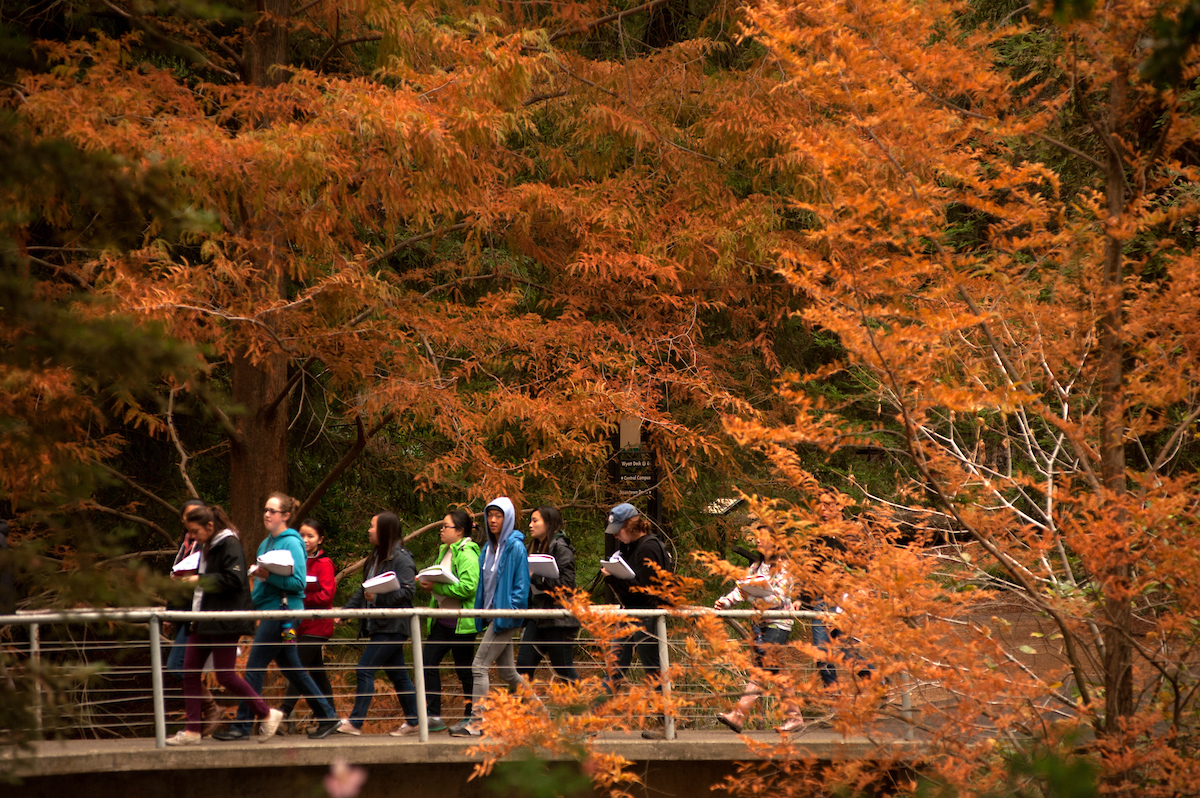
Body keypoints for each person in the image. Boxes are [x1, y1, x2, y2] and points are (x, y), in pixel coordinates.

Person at [218, 492, 340, 741]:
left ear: (285, 516)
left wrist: (268, 574)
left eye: (272, 511)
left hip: (285, 613)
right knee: (293, 669)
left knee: (254, 666)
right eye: (265, 509)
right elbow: (262, 587)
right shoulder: (265, 544)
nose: (267, 514)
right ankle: (329, 716)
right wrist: (249, 607)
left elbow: (297, 582)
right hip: (271, 611)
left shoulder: (292, 542)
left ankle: (241, 726)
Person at [166, 503, 284, 745]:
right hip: (202, 618)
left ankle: (266, 713)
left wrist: (199, 579)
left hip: (223, 621)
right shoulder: (208, 545)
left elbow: (235, 578)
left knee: (225, 676)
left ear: (210, 526)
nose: (192, 537)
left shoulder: (230, 544)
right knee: (188, 670)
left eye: (195, 532)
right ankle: (192, 731)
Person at [448, 497, 530, 738]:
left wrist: (507, 614)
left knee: (479, 666)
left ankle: (477, 722)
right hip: (493, 616)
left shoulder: (515, 547)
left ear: (508, 518)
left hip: (505, 616)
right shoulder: (487, 548)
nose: (493, 520)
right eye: (490, 515)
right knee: (508, 673)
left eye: (499, 515)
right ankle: (542, 714)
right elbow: (485, 585)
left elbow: (521, 587)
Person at [337, 511, 420, 736]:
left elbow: (408, 591)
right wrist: (346, 612)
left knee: (364, 669)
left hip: (393, 626)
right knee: (398, 675)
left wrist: (380, 599)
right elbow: (364, 590)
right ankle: (414, 721)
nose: (369, 530)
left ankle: (355, 722)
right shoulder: (375, 557)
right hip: (380, 625)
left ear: (384, 530)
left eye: (372, 526)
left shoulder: (401, 558)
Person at [601, 503, 672, 739]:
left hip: (646, 616)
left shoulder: (649, 548)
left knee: (653, 670)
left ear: (631, 526)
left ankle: (665, 725)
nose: (617, 536)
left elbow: (643, 590)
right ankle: (591, 719)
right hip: (629, 614)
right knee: (614, 666)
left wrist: (614, 578)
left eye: (619, 530)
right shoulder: (632, 547)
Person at [712, 539, 796, 734]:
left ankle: (739, 716)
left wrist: (751, 598)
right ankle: (795, 717)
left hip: (778, 624)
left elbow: (777, 599)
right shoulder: (755, 566)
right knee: (775, 671)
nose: (758, 539)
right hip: (759, 625)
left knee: (761, 668)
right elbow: (740, 590)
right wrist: (725, 602)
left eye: (764, 536)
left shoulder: (784, 568)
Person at [416, 508, 480, 733]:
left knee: (464, 672)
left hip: (461, 625)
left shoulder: (468, 554)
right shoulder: (445, 551)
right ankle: (434, 715)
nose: (441, 530)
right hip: (442, 622)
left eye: (446, 526)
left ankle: (470, 716)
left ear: (460, 531)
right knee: (427, 663)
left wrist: (437, 586)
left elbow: (469, 587)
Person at [165, 498, 224, 734]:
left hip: (199, 614)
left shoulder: (212, 544)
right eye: (186, 519)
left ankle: (210, 710)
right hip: (183, 614)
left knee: (180, 667)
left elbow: (217, 579)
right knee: (182, 668)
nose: (189, 524)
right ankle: (197, 723)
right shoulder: (187, 542)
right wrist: (169, 614)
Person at [277, 518, 337, 732]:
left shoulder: (324, 564)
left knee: (297, 667)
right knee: (317, 672)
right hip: (296, 626)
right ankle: (330, 716)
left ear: (320, 540)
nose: (305, 540)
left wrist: (300, 596)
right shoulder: (294, 562)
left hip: (317, 626)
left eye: (310, 536)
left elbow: (326, 596)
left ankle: (282, 712)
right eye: (301, 535)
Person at [516, 504, 580, 683]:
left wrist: (536, 578)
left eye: (535, 520)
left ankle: (584, 708)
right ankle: (520, 710)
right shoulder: (532, 547)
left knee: (564, 670)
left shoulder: (561, 548)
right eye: (530, 520)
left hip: (559, 620)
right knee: (522, 668)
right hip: (538, 617)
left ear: (549, 523)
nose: (530, 525)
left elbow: (567, 585)